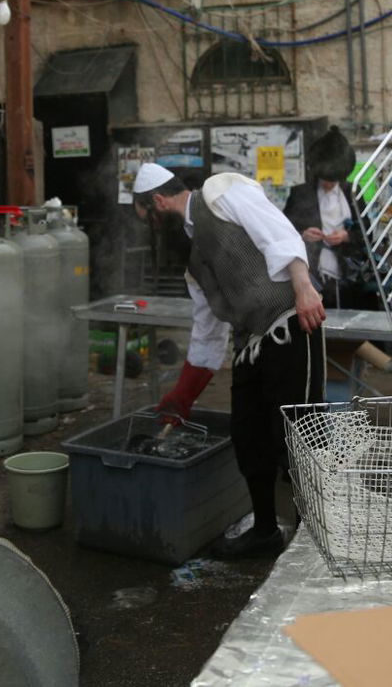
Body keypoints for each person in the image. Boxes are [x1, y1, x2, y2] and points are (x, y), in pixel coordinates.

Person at [132, 162, 326, 559]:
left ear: (158, 201)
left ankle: (317, 539)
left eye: (150, 220)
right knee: (249, 437)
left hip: (291, 323)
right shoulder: (194, 265)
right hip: (250, 345)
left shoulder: (221, 191)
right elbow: (207, 335)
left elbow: (279, 234)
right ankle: (267, 530)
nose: (153, 231)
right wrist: (182, 396)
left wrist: (304, 288)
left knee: (299, 438)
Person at [282, 127, 371, 310]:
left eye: (334, 180)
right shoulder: (300, 193)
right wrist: (303, 235)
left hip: (350, 278)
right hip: (312, 278)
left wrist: (346, 237)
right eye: (325, 179)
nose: (329, 184)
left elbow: (367, 235)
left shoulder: (352, 192)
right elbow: (283, 234)